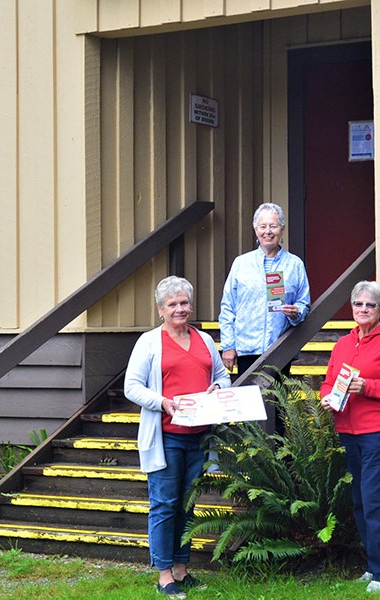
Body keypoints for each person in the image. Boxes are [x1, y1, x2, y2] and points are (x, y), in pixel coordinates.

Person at [124, 276, 231, 599]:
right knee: (164, 505)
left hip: (198, 437)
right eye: (172, 304)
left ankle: (183, 570)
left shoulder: (204, 340)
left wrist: (218, 389)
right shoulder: (149, 343)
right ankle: (164, 574)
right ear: (160, 310)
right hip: (166, 436)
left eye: (184, 303)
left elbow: (222, 376)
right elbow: (132, 386)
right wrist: (163, 403)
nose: (180, 309)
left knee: (187, 504)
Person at [319, 281, 380, 593]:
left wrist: (369, 387)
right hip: (350, 430)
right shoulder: (343, 344)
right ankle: (374, 566)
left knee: (377, 501)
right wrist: (325, 397)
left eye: (370, 305)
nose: (363, 310)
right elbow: (329, 382)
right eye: (358, 304)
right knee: (361, 502)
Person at [218, 202, 311, 378]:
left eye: (273, 226)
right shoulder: (241, 263)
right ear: (256, 230)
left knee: (277, 404)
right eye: (263, 226)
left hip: (281, 347)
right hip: (246, 349)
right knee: (251, 402)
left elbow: (304, 302)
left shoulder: (294, 264)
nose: (268, 231)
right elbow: (228, 307)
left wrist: (296, 312)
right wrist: (228, 346)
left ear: (282, 230)